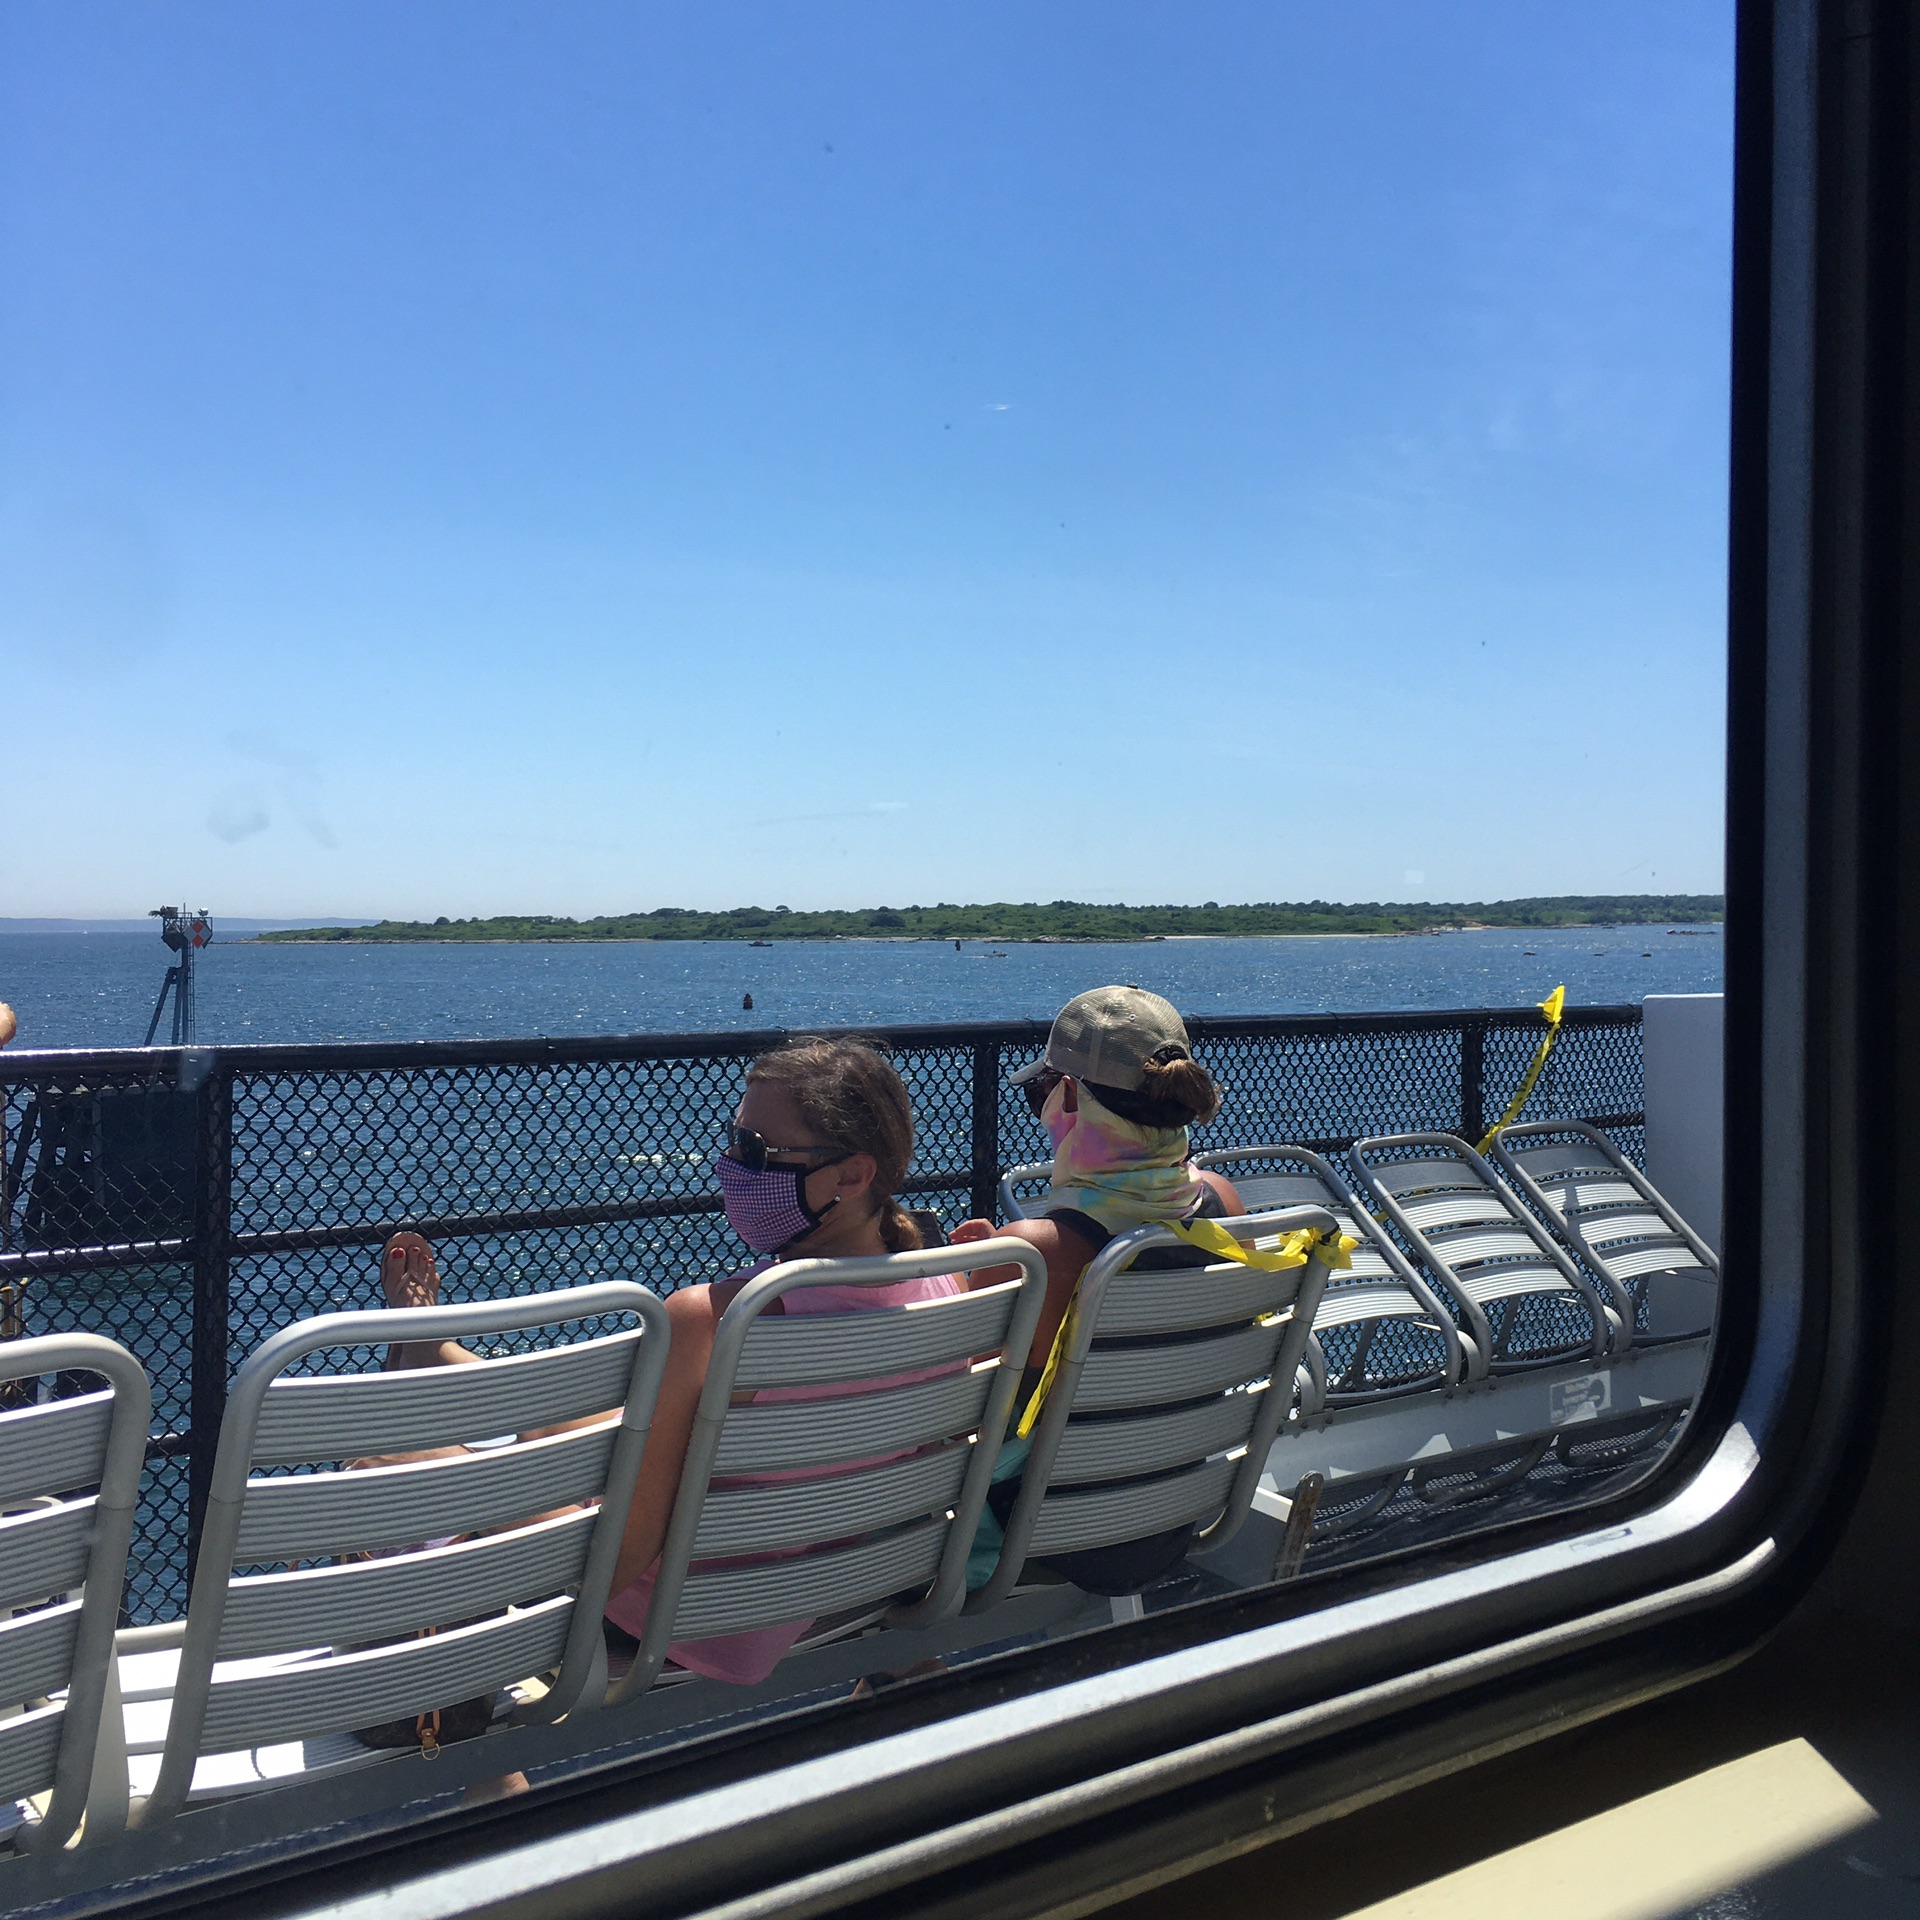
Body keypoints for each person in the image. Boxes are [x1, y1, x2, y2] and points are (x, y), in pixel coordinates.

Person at [371, 1036, 962, 1692]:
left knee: (391, 1462)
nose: (730, 1166)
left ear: (851, 1177)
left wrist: (476, 1497)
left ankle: (429, 1355)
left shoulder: (720, 1320)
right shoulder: (949, 1292)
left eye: (753, 1151)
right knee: (561, 1427)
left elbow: (614, 1564)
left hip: (682, 1618)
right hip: (814, 1590)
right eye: (733, 1141)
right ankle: (441, 1357)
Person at [946, 985, 1244, 1594]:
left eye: (1041, 1094)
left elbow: (966, 1425)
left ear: (1070, 1096)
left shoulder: (1037, 1256)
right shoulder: (1224, 1203)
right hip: (1174, 1514)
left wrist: (963, 1282)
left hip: (1050, 1536)